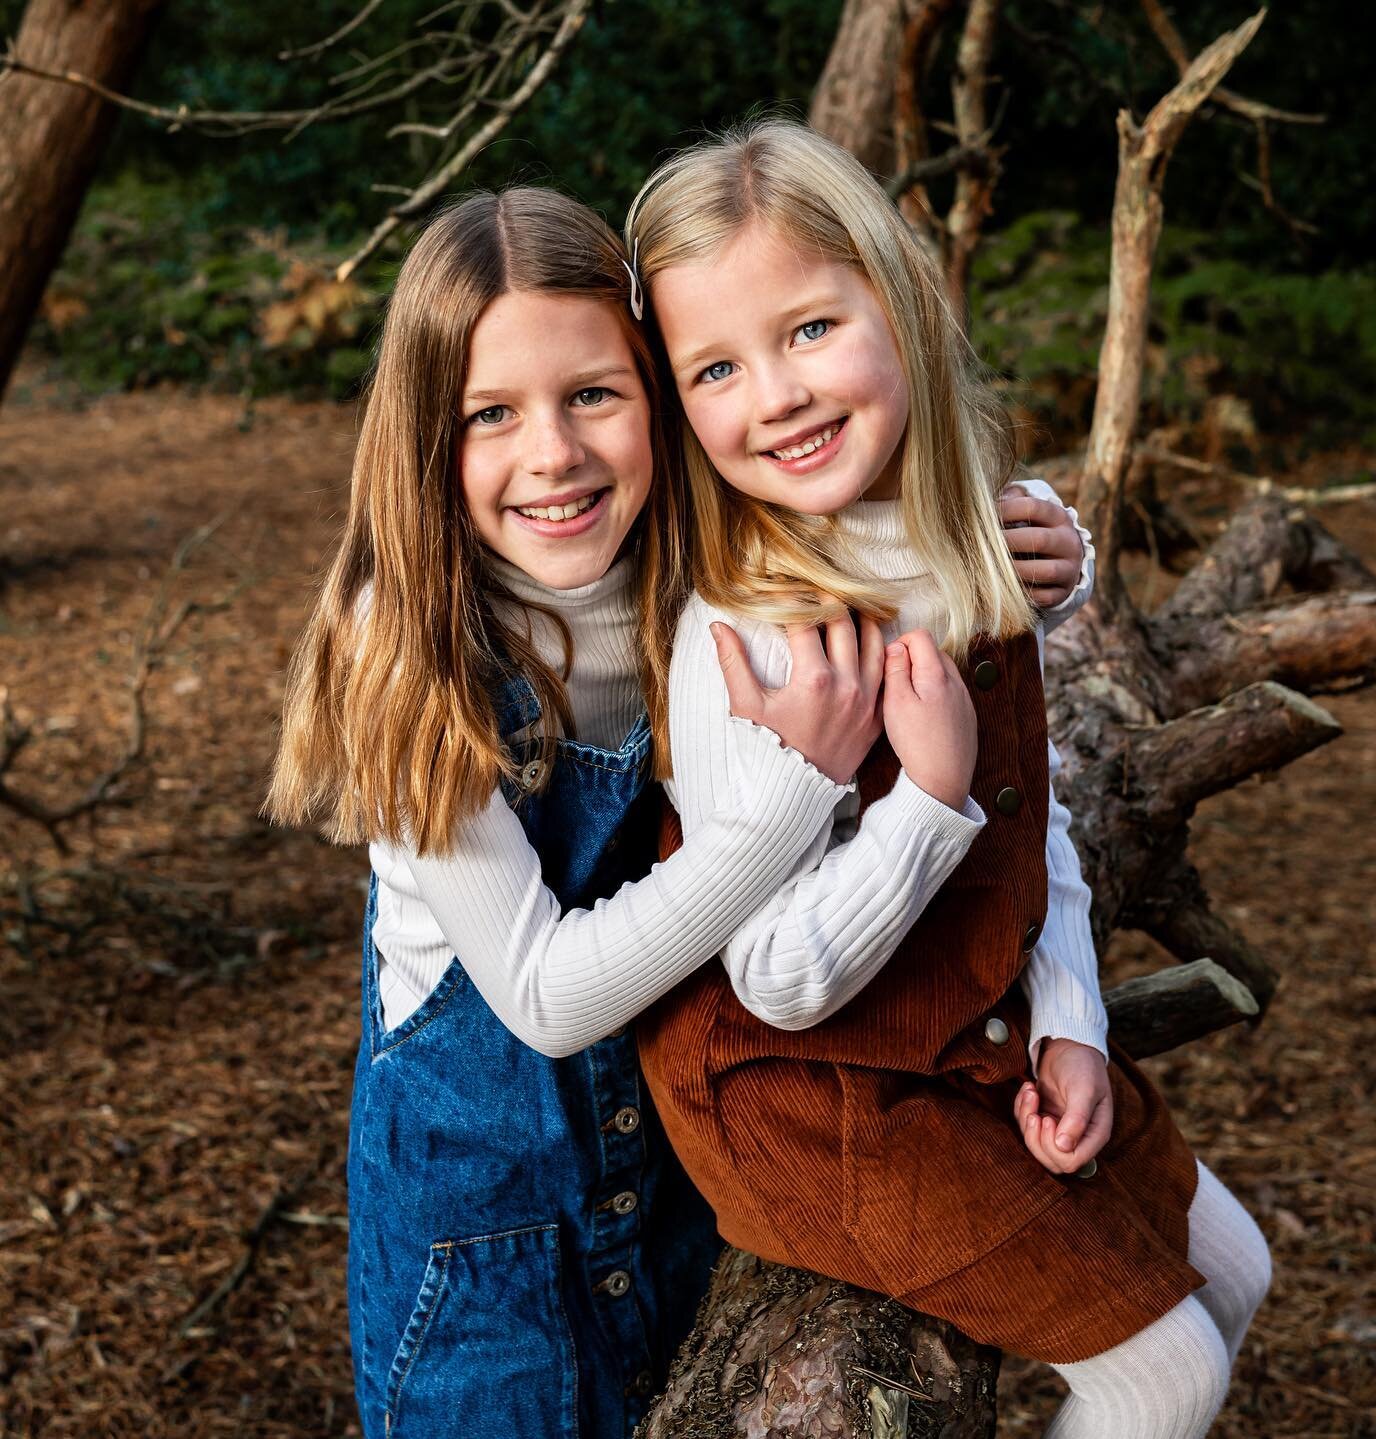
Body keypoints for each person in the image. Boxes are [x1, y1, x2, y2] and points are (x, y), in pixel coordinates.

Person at [265, 186, 1091, 1439]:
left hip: (681, 1189)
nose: (554, 453)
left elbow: (890, 543)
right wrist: (783, 804)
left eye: (594, 393)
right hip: (491, 1260)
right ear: (425, 438)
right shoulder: (413, 647)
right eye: (491, 414)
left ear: (660, 395)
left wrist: (1032, 544)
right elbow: (547, 1001)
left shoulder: (691, 570)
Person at [628, 117, 1271, 1439]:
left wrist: (1072, 1018)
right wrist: (925, 802)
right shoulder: (743, 635)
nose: (777, 393)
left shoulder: (978, 545)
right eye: (715, 367)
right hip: (810, 1089)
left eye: (810, 328)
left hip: (966, 1027)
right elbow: (777, 980)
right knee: (1170, 1376)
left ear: (902, 300)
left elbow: (1037, 826)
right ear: (679, 404)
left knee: (1241, 1270)